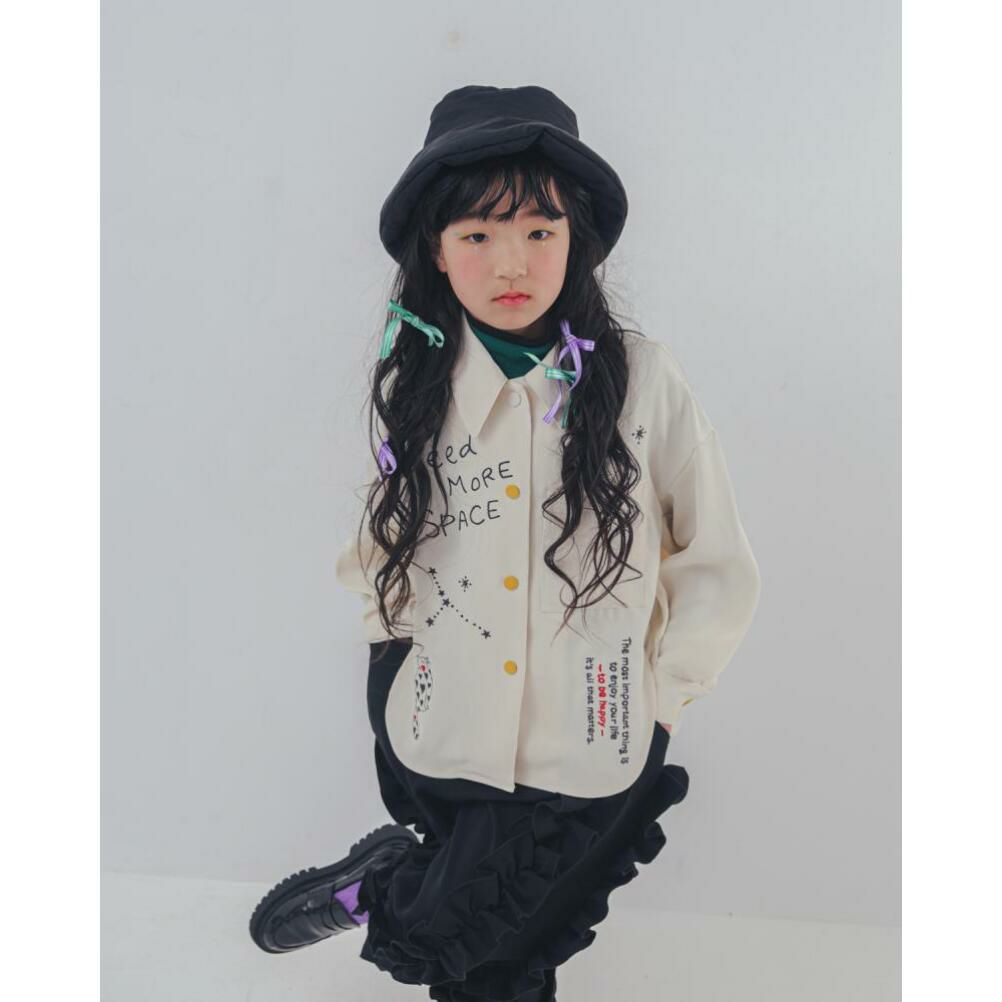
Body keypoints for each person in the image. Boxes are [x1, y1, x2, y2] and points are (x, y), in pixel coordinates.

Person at [249, 84, 762, 1001]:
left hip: (598, 729)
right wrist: (389, 651)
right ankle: (388, 884)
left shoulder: (643, 381)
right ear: (436, 250)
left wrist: (666, 698)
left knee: (478, 942)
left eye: (538, 230)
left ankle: (376, 889)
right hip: (446, 721)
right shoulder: (414, 385)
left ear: (577, 240)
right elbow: (378, 542)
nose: (511, 262)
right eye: (478, 235)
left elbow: (714, 556)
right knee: (505, 966)